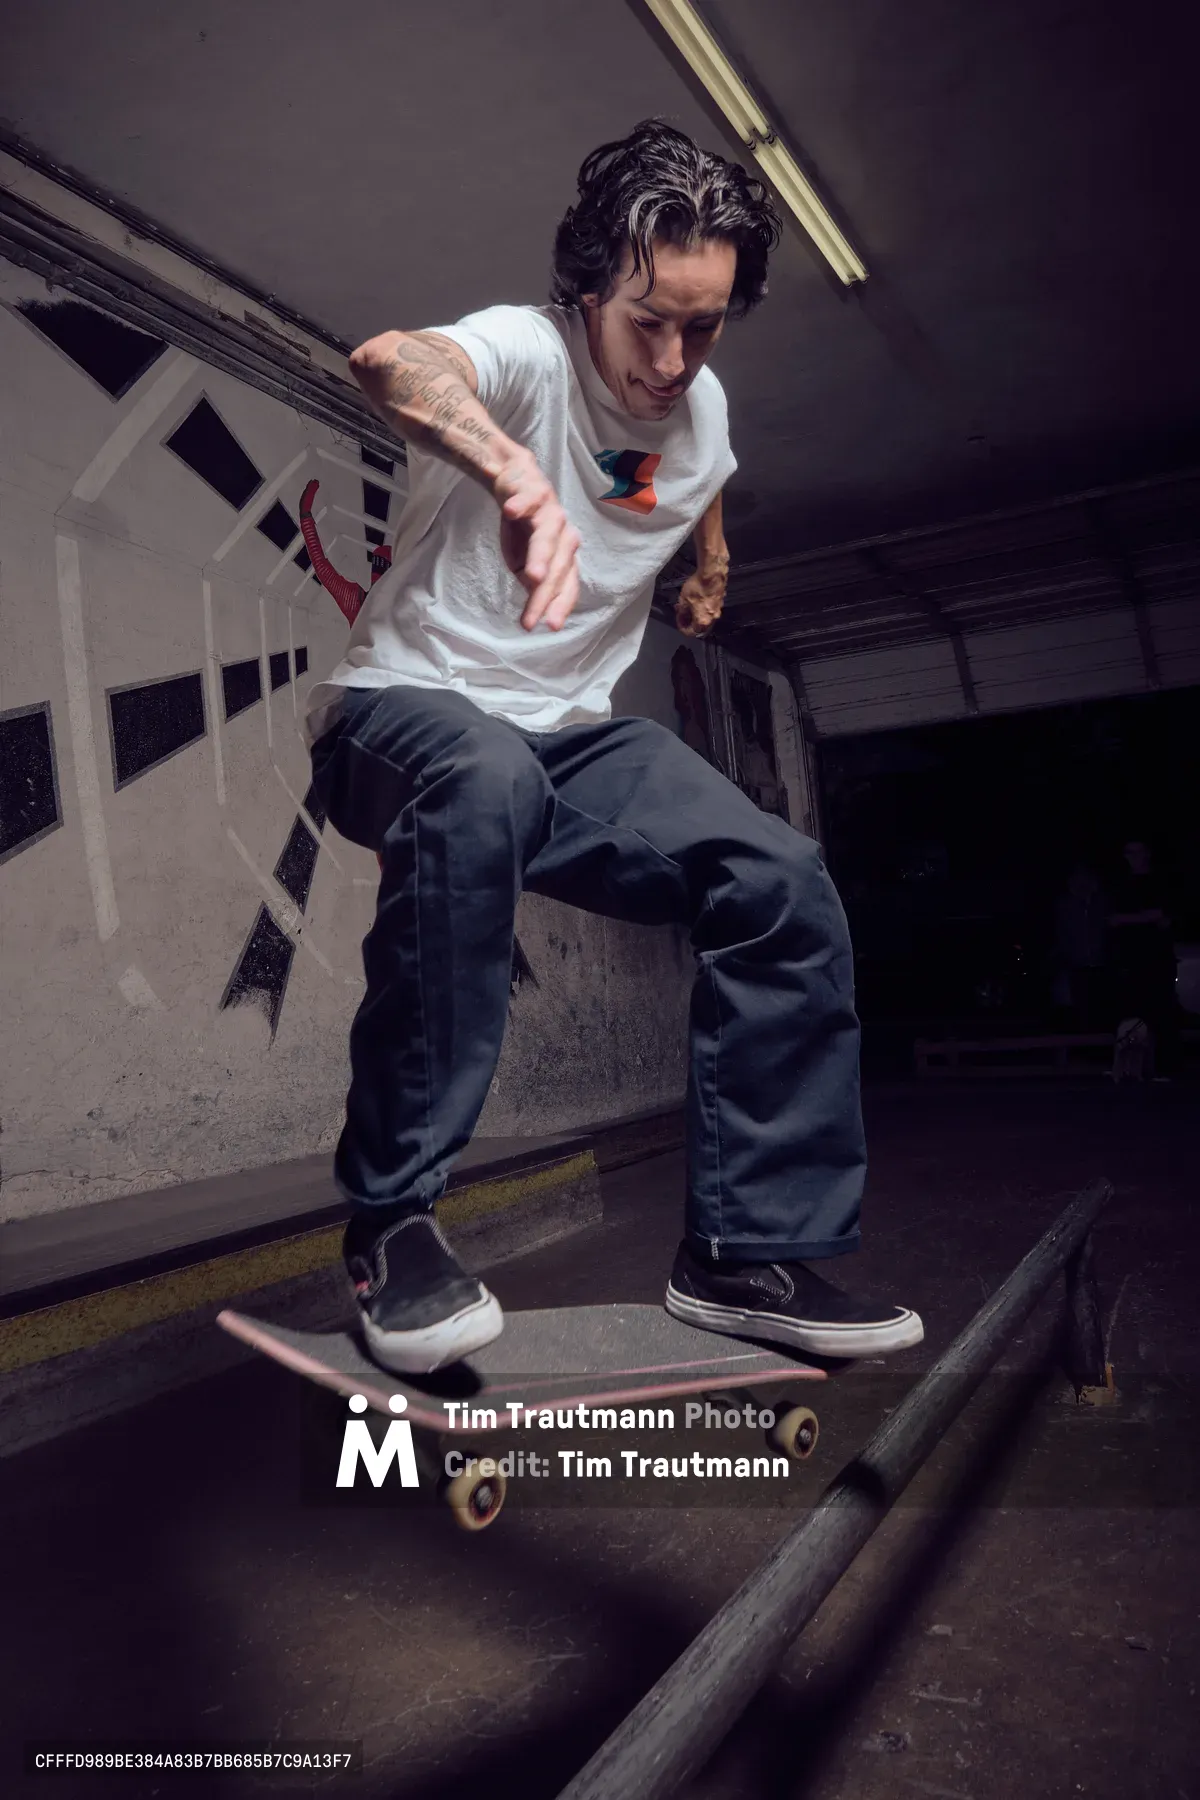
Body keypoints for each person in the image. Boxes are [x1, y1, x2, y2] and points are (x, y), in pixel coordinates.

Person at [302, 120, 924, 1374]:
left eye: (704, 327)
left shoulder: (701, 408)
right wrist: (516, 481)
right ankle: (391, 1226)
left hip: (566, 744)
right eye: (649, 321)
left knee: (780, 879)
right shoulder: (526, 355)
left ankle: (742, 1251)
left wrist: (712, 558)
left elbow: (697, 472)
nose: (672, 358)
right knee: (474, 776)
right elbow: (393, 363)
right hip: (399, 711)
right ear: (590, 289)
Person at [1107, 839, 1182, 1078]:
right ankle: (1129, 1067)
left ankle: (1166, 1067)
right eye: (1129, 852)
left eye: (1138, 851)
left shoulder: (1161, 881)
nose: (1133, 857)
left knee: (1162, 1011)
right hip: (1130, 959)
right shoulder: (1121, 885)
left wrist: (1130, 919)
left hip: (1157, 958)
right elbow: (1113, 919)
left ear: (1147, 854)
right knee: (1132, 1014)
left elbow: (1162, 914)